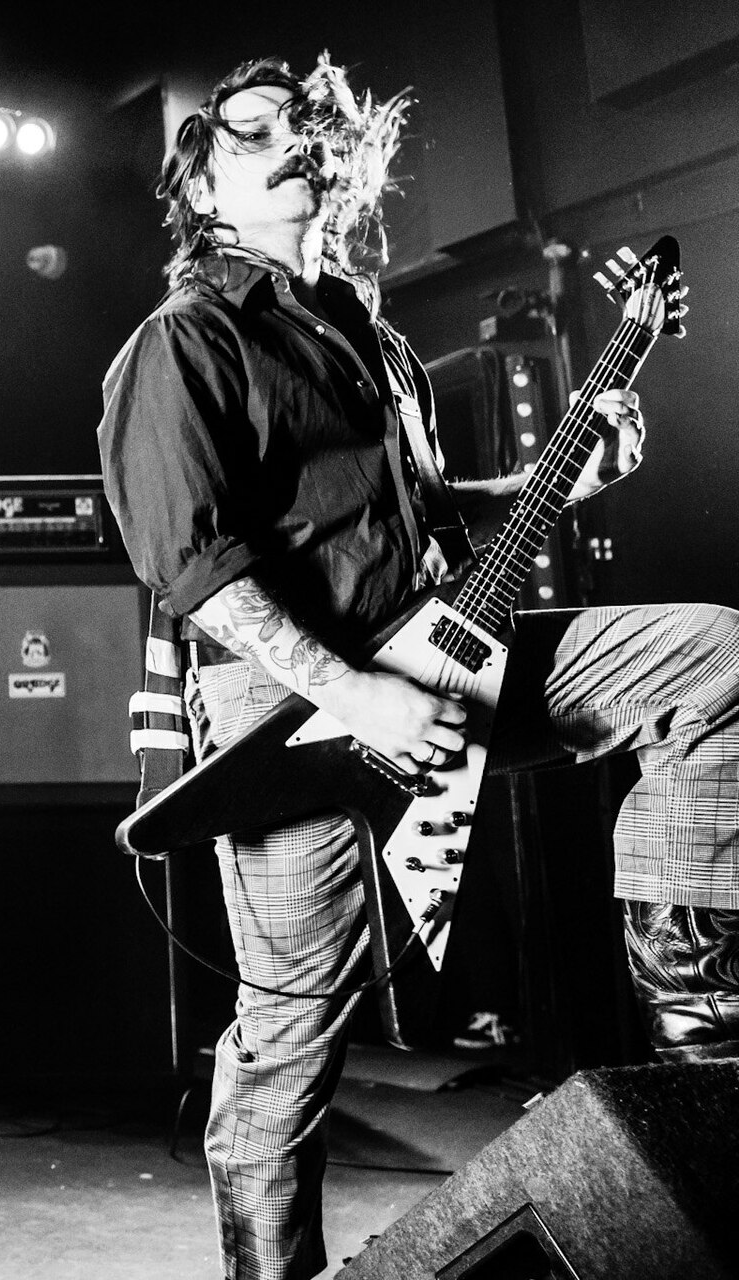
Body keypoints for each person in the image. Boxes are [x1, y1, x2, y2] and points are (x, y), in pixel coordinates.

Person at [98, 55, 739, 1280]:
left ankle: (704, 1042)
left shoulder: (371, 337)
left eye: (304, 125)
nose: (290, 141)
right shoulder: (183, 341)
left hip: (445, 642)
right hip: (293, 695)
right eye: (252, 130)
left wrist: (560, 476)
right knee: (295, 1022)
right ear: (204, 186)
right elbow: (193, 566)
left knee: (715, 654)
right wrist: (353, 693)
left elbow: (429, 515)